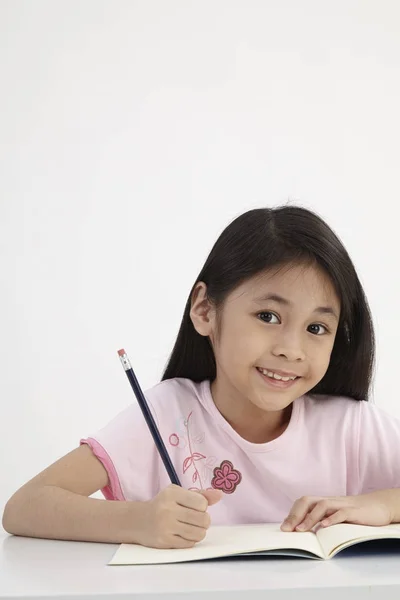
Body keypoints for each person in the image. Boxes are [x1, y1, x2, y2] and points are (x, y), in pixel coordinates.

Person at [3, 204, 400, 549]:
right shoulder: (168, 412)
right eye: (268, 317)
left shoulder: (352, 427)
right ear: (205, 310)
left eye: (316, 328)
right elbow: (25, 507)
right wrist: (139, 521)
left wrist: (382, 505)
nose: (291, 350)